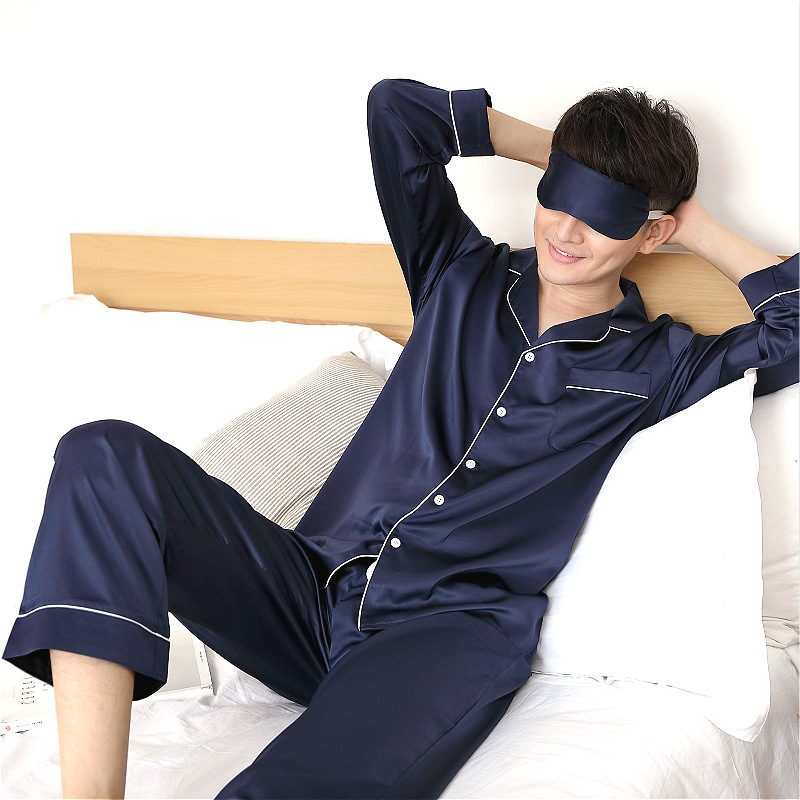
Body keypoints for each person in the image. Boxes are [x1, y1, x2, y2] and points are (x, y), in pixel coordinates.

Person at [3, 78, 798, 800]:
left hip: (444, 636)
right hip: (309, 590)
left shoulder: (661, 362)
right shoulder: (457, 273)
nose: (567, 230)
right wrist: (559, 151)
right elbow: (397, 112)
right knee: (101, 453)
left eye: (604, 217)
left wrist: (691, 221)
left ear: (651, 236)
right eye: (559, 197)